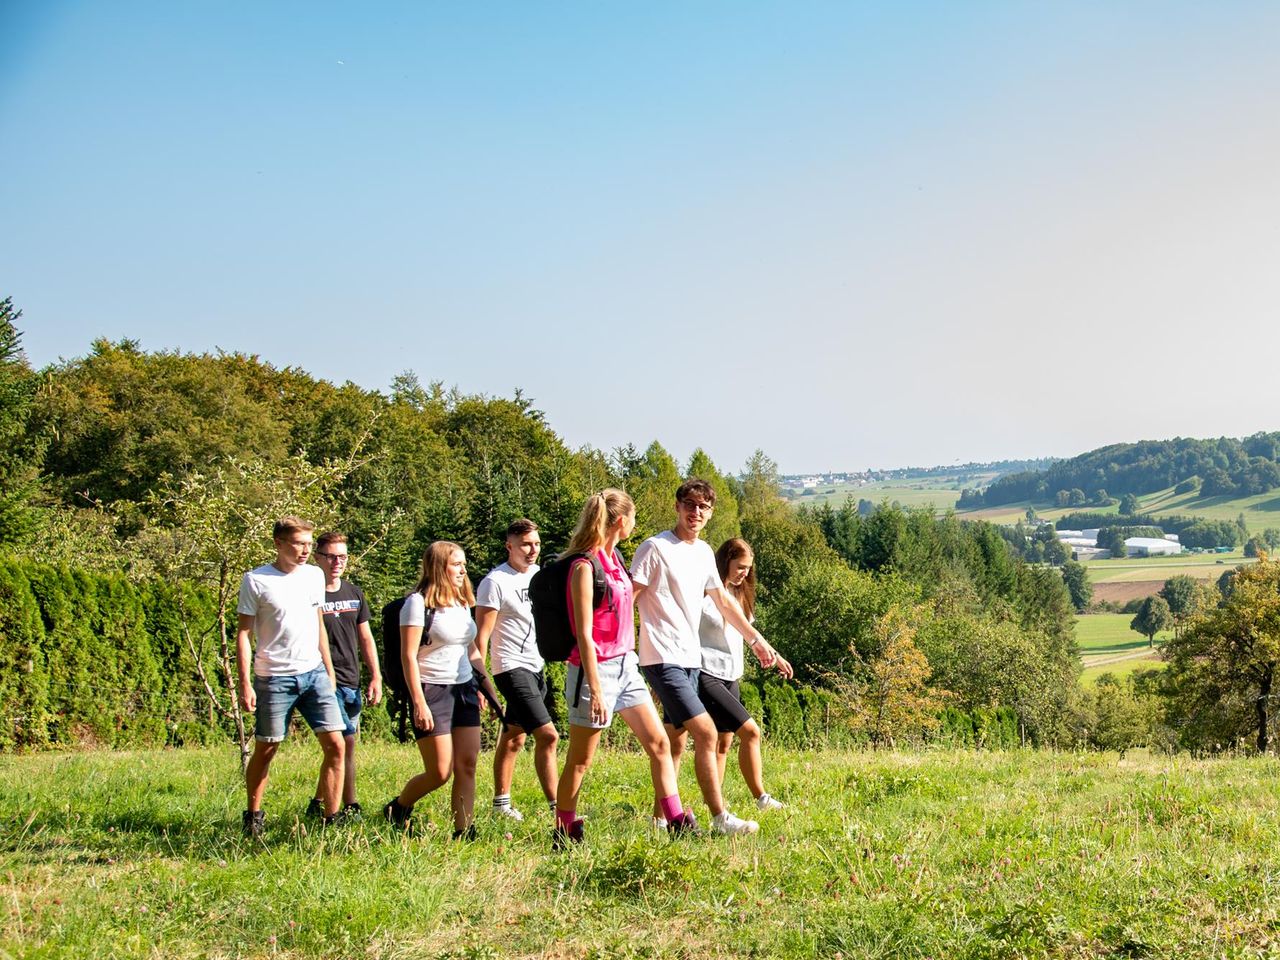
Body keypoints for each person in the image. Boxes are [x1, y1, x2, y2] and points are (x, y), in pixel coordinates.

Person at [631, 479, 788, 836]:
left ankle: (660, 819)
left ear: (710, 513)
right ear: (677, 506)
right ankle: (720, 818)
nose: (695, 512)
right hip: (661, 656)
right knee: (706, 734)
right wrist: (620, 649)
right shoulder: (654, 548)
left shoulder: (702, 553)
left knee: (675, 741)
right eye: (690, 504)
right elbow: (630, 596)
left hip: (690, 659)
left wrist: (757, 642)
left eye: (703, 507)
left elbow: (724, 602)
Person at [553, 489, 693, 846]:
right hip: (594, 671)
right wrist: (597, 689)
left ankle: (677, 820)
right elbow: (583, 632)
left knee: (659, 743)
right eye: (632, 517)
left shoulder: (615, 560)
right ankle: (563, 829)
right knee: (581, 760)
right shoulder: (584, 567)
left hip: (626, 665)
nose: (635, 523)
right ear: (620, 521)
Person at [236, 517, 346, 837]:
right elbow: (244, 634)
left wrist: (329, 669)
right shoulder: (256, 580)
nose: (305, 551)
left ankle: (331, 819)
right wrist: (245, 683)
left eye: (309, 544)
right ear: (278, 543)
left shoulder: (314, 576)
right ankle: (254, 815)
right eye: (299, 543)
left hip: (314, 674)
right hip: (273, 678)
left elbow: (317, 623)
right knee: (267, 747)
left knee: (336, 746)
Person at [383, 541, 501, 839]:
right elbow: (408, 656)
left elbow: (472, 650)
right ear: (438, 567)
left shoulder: (462, 602)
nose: (463, 569)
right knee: (439, 771)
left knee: (468, 764)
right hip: (431, 690)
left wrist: (485, 687)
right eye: (456, 564)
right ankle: (398, 807)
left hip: (463, 689)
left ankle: (464, 830)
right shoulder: (417, 604)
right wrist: (419, 702)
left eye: (464, 564)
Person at [667, 537, 791, 816]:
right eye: (740, 567)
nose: (744, 573)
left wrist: (775, 655)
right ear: (725, 562)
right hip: (705, 672)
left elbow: (748, 633)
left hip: (730, 673)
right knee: (751, 732)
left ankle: (717, 807)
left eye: (748, 568)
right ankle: (760, 796)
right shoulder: (704, 594)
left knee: (724, 742)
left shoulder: (740, 595)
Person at [476, 519, 558, 822]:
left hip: (536, 664)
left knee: (514, 736)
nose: (532, 550)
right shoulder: (495, 582)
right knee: (548, 736)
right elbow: (481, 637)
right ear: (509, 546)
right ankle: (558, 808)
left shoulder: (539, 576)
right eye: (525, 544)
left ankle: (501, 804)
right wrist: (480, 681)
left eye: (536, 543)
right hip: (510, 666)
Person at [303, 531, 382, 821]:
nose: (338, 562)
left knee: (338, 748)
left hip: (352, 680)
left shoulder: (354, 593)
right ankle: (350, 805)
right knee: (344, 743)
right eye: (332, 556)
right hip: (323, 679)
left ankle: (318, 800)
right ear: (318, 557)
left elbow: (366, 638)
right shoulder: (309, 594)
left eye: (343, 556)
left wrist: (376, 676)